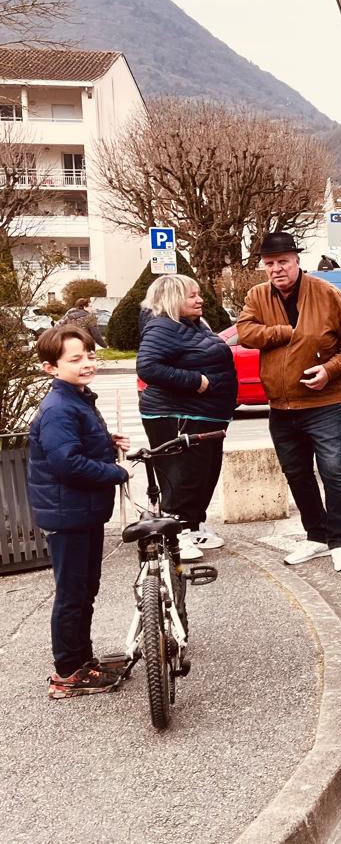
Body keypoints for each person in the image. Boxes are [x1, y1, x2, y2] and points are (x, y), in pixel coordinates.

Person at [236, 231, 341, 572]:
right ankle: (317, 536)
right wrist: (281, 332)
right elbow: (246, 331)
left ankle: (340, 540)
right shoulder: (257, 295)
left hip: (324, 402)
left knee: (335, 472)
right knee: (297, 474)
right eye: (270, 263)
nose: (276, 269)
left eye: (283, 261)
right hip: (281, 405)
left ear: (297, 261)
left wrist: (329, 369)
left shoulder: (326, 292)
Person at [26, 326, 131, 699]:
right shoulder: (59, 407)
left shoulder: (77, 399)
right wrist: (115, 471)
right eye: (75, 359)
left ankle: (83, 660)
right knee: (73, 593)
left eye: (89, 355)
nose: (87, 363)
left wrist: (106, 443)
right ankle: (68, 672)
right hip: (67, 514)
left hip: (81, 511)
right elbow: (67, 462)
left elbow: (76, 446)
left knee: (85, 589)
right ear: (50, 368)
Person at [136, 275, 238, 561]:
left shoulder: (190, 325)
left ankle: (191, 526)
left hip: (201, 414)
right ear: (172, 300)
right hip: (176, 414)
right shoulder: (162, 327)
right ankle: (175, 532)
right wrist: (197, 381)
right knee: (183, 476)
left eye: (198, 294)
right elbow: (148, 367)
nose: (199, 299)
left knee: (203, 475)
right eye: (192, 296)